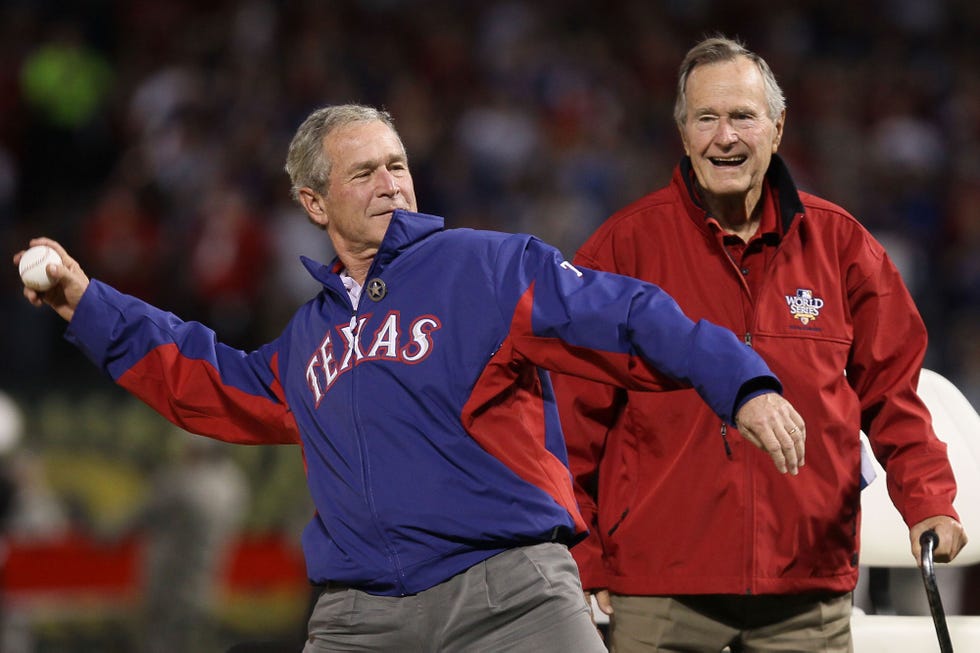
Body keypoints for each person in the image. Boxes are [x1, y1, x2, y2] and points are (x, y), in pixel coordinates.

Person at [14, 103, 806, 652]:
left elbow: (629, 313)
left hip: (511, 598)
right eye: (363, 173)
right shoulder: (309, 338)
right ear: (313, 202)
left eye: (397, 164)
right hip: (359, 619)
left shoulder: (486, 265)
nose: (390, 181)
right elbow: (208, 380)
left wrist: (741, 379)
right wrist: (85, 303)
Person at [552, 36, 968, 652]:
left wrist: (929, 498)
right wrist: (582, 555)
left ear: (777, 128)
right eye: (707, 118)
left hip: (805, 590)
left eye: (743, 116)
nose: (726, 137)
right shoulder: (621, 252)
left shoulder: (843, 247)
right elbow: (568, 422)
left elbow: (893, 393)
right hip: (661, 591)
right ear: (683, 132)